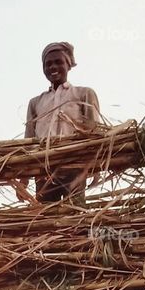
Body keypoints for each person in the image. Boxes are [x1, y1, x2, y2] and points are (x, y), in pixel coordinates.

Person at [25, 41, 101, 201]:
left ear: (69, 65)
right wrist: (24, 176)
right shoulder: (35, 102)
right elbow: (28, 141)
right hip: (43, 169)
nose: (52, 67)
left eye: (58, 62)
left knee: (74, 214)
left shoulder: (84, 94)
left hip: (74, 164)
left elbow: (95, 133)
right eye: (48, 64)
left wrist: (95, 167)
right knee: (44, 217)